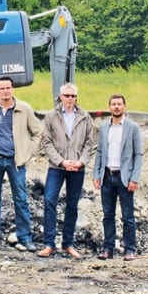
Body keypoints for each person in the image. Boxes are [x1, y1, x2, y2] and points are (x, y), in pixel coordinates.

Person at [0, 75, 42, 251]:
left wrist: (28, 153)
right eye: (2, 88)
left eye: (8, 88)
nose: (5, 91)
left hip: (16, 161)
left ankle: (25, 237)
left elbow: (37, 133)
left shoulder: (24, 109)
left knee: (20, 199)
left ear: (13, 89)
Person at [37, 83, 94, 259]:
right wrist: (61, 161)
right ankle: (49, 243)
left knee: (72, 204)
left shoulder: (85, 117)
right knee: (49, 201)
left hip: (77, 168)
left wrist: (80, 162)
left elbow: (89, 143)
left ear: (77, 97)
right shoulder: (51, 117)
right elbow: (46, 141)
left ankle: (68, 244)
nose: (70, 99)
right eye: (67, 95)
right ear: (60, 96)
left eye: (73, 96)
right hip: (56, 167)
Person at [92, 94, 143, 261]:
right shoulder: (104, 128)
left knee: (127, 216)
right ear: (109, 107)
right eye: (113, 104)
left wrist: (134, 178)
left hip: (124, 177)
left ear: (124, 107)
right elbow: (100, 152)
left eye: (119, 104)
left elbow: (138, 154)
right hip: (107, 176)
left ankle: (129, 249)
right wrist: (96, 174)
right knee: (108, 214)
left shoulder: (132, 127)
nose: (116, 107)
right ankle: (108, 248)